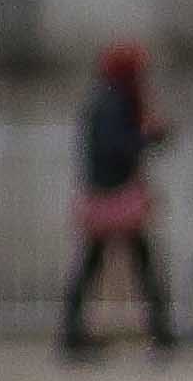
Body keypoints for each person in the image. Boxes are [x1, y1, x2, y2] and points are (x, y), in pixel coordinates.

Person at [58, 38, 177, 358]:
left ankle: (73, 333)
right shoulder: (114, 103)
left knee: (96, 266)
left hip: (104, 196)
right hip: (115, 197)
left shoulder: (104, 99)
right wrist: (149, 137)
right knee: (135, 265)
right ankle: (161, 332)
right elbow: (119, 147)